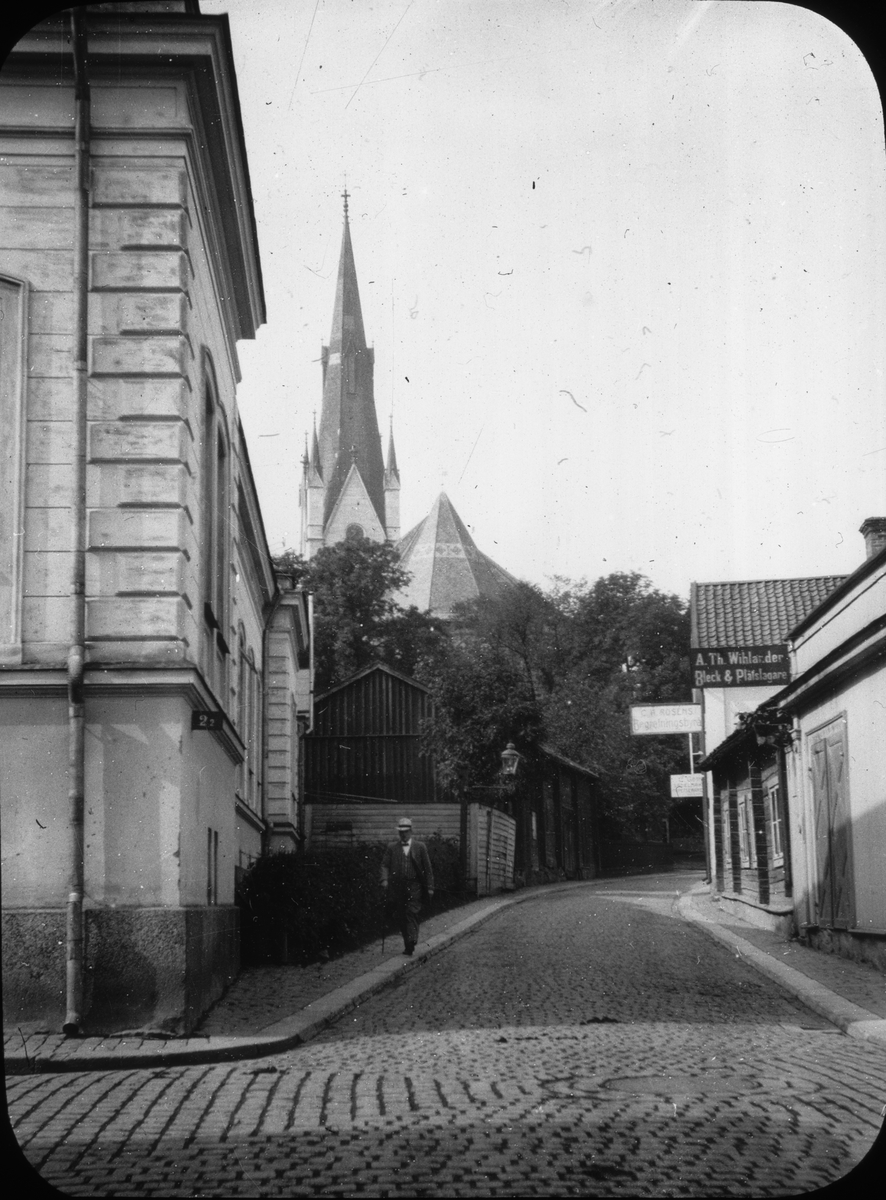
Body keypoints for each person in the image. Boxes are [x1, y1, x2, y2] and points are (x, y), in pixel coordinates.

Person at [380, 817, 434, 956]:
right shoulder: (392, 847)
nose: (403, 834)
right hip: (398, 886)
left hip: (415, 884)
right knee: (401, 915)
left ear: (411, 831)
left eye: (406, 832)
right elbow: (385, 865)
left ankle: (412, 940)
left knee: (412, 911)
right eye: (401, 832)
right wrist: (384, 880)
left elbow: (428, 869)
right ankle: (408, 944)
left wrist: (430, 887)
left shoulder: (420, 847)